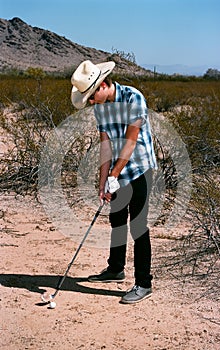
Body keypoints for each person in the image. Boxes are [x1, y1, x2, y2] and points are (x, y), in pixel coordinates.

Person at [71, 60, 157, 304]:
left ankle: (143, 283)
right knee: (117, 218)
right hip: (116, 173)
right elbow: (105, 145)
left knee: (138, 225)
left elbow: (131, 141)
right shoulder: (100, 107)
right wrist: (103, 183)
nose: (89, 101)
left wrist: (114, 175)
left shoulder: (133, 98)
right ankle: (115, 269)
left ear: (103, 85)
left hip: (139, 168)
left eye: (90, 95)